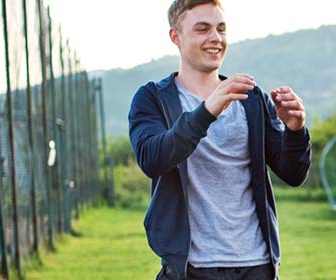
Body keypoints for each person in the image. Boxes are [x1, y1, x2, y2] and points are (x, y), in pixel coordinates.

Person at [127, 0, 311, 279]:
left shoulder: (251, 99)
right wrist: (207, 111)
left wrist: (296, 131)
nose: (215, 38)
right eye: (202, 29)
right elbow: (152, 159)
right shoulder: (153, 98)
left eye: (221, 29)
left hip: (257, 265)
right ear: (175, 36)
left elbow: (293, 173)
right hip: (190, 269)